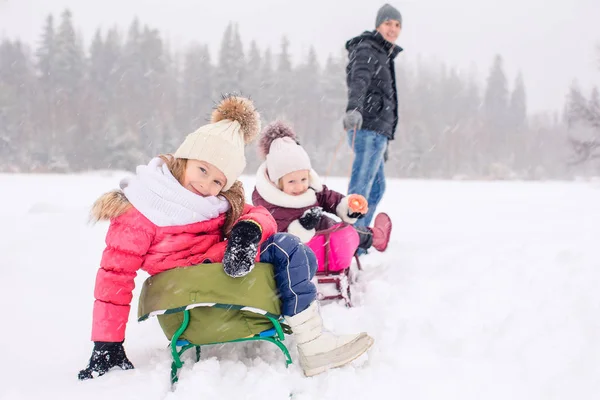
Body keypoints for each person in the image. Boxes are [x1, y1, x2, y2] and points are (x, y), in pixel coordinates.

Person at [77, 96, 374, 380]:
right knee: (289, 250)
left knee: (299, 253)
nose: (206, 185)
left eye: (218, 181)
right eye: (202, 170)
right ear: (185, 159)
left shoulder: (216, 203)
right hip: (189, 300)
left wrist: (248, 231)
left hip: (220, 276)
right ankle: (313, 344)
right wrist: (107, 344)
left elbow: (260, 214)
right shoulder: (142, 208)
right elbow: (114, 276)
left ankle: (310, 335)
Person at [252, 120, 392, 253]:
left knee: (347, 231)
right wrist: (303, 226)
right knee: (346, 234)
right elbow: (277, 235)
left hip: (327, 239)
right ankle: (373, 237)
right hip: (304, 252)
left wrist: (347, 207)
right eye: (291, 182)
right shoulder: (270, 205)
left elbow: (329, 198)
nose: (300, 186)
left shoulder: (311, 189)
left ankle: (374, 236)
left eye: (303, 179)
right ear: (277, 182)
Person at [342, 3, 402, 251]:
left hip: (378, 132)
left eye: (397, 25)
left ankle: (361, 235)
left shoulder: (383, 53)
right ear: (378, 25)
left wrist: (385, 140)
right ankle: (351, 241)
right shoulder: (369, 48)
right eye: (388, 23)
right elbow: (359, 80)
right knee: (361, 188)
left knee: (376, 187)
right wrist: (354, 108)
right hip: (366, 127)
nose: (393, 29)